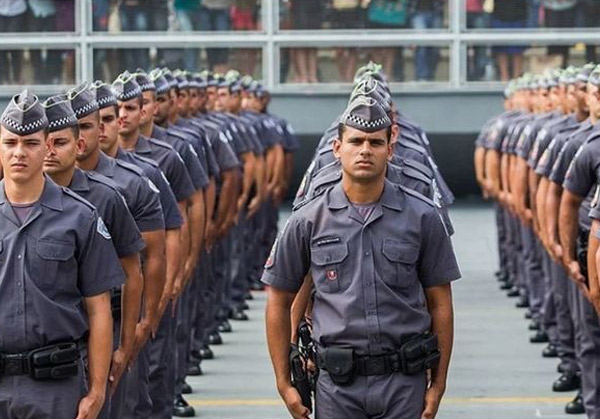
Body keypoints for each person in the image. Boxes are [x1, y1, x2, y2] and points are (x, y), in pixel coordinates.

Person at [263, 98, 461, 419]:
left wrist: (438, 385)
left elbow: (440, 303)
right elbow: (278, 299)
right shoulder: (308, 220)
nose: (365, 150)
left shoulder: (422, 216)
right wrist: (284, 382)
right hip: (337, 387)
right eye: (355, 141)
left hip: (403, 383)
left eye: (375, 142)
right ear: (337, 148)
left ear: (390, 149)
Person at [0, 89, 124, 418]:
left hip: (54, 386)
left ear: (47, 146)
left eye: (30, 143)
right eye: (10, 143)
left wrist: (96, 391)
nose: (19, 153)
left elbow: (99, 309)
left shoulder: (80, 217)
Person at [490, 0, 527, 82]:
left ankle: (517, 79)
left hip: (518, 14)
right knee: (501, 48)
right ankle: (504, 78)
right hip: (500, 14)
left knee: (517, 49)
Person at [409, 0, 444, 81]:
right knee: (421, 44)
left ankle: (430, 76)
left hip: (436, 12)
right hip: (417, 12)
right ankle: (422, 76)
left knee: (435, 47)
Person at [289, 0, 323, 83]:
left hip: (314, 9)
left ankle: (312, 75)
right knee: (300, 45)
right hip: (298, 9)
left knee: (313, 46)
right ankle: (303, 76)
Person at [542, 0, 577, 67]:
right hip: (551, 6)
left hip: (568, 6)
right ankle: (552, 67)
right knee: (552, 39)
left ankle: (564, 65)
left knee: (566, 38)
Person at [0, 0, 27, 84]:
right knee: (1, 48)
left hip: (17, 10)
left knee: (15, 47)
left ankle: (17, 77)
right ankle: (5, 78)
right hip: (1, 11)